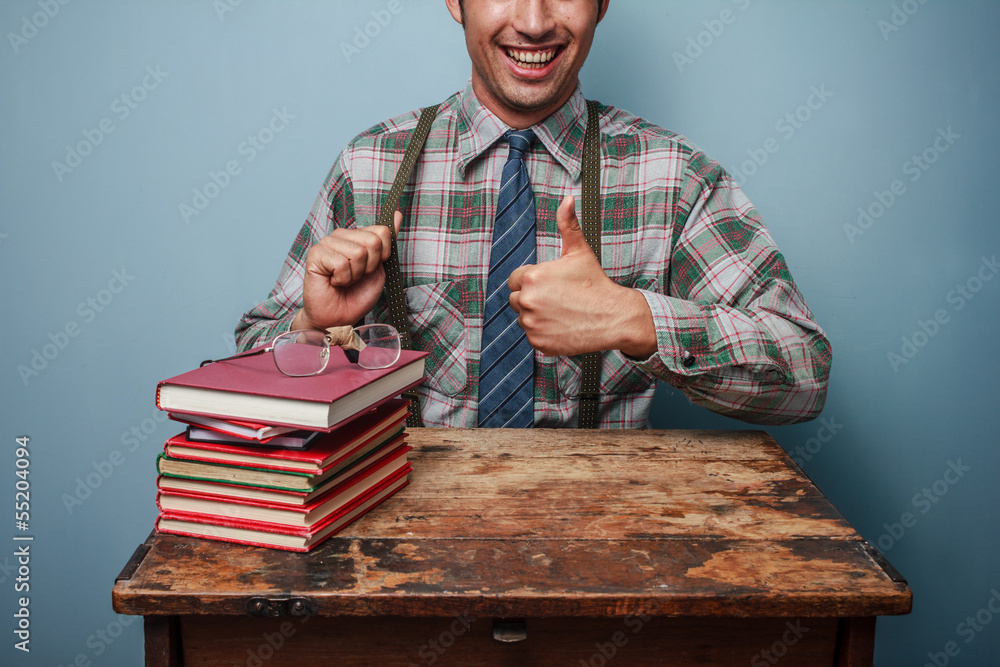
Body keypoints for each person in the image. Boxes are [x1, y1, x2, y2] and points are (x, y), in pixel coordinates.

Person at [236, 0, 832, 429]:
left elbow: (804, 375)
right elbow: (243, 379)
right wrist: (320, 333)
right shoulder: (372, 168)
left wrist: (635, 319)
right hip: (405, 559)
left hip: (600, 562)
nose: (534, 21)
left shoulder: (670, 176)